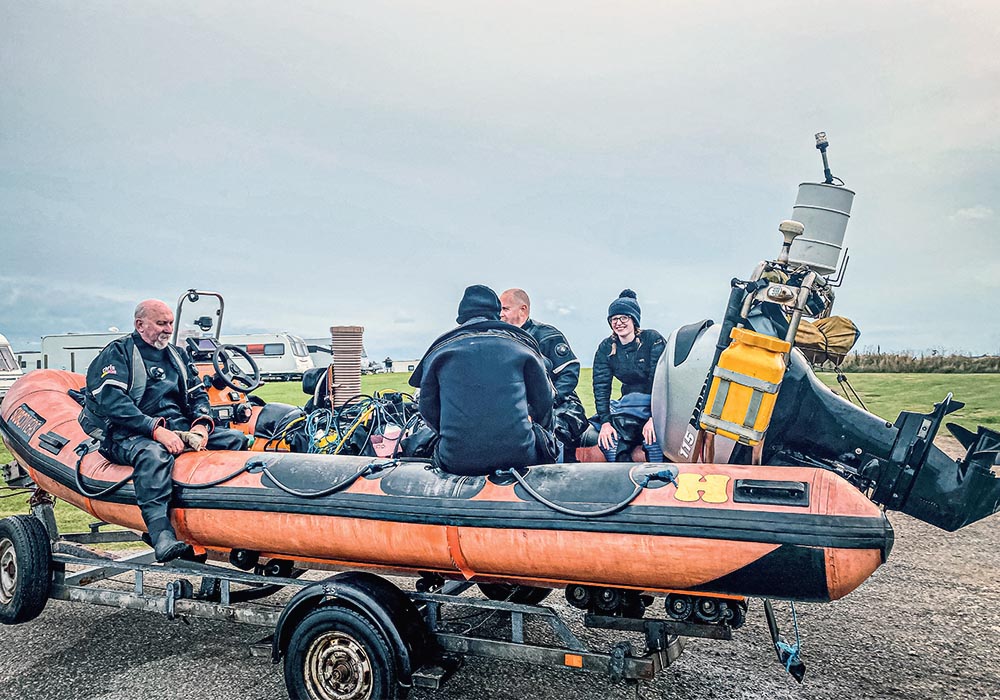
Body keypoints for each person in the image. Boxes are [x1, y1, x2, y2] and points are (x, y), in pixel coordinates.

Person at [83, 299, 247, 562]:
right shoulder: (118, 354)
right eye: (161, 323)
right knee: (153, 455)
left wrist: (202, 426)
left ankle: (227, 523)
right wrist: (155, 430)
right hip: (127, 433)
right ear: (140, 325)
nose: (168, 329)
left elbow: (197, 395)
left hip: (178, 427)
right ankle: (161, 534)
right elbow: (113, 403)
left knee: (235, 440)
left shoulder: (177, 355)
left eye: (170, 323)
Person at [409, 284, 559, 475]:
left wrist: (452, 435)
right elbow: (544, 401)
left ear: (462, 315)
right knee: (552, 447)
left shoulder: (440, 350)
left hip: (456, 459)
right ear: (496, 313)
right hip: (520, 455)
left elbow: (427, 408)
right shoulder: (522, 346)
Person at [499, 288, 589, 461]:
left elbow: (569, 374)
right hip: (517, 406)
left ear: (523, 309)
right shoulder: (499, 339)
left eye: (505, 309)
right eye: (500, 310)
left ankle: (555, 472)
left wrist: (545, 402)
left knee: (555, 429)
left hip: (559, 405)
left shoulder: (548, 336)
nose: (500, 314)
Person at [593, 289, 667, 462]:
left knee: (653, 441)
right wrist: (605, 423)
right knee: (609, 443)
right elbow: (601, 387)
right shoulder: (606, 348)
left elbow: (661, 381)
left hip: (654, 405)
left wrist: (654, 419)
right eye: (614, 319)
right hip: (627, 407)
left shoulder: (652, 340)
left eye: (624, 318)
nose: (618, 323)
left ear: (634, 319)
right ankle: (622, 484)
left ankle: (657, 484)